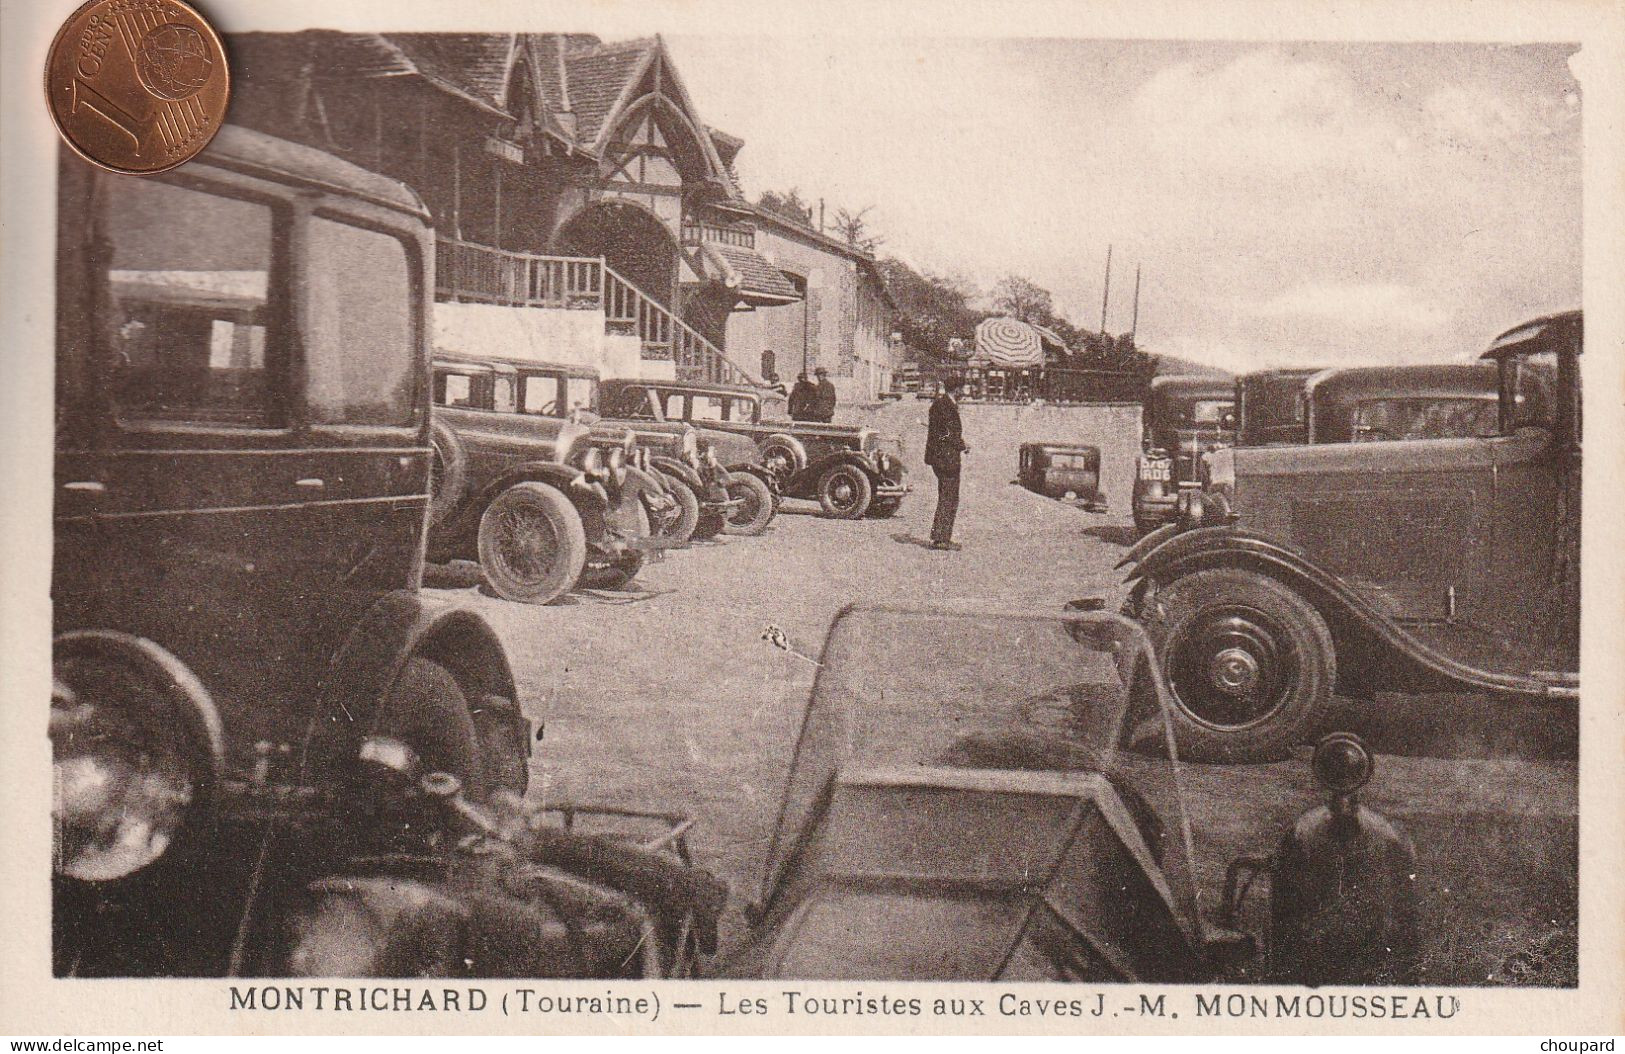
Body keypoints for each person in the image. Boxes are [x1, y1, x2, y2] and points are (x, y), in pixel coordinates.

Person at [925, 374, 969, 551]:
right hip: (946, 458)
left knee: (945, 496)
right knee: (949, 497)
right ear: (957, 390)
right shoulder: (947, 407)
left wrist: (958, 441)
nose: (964, 393)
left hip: (940, 457)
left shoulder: (939, 404)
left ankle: (939, 536)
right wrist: (962, 445)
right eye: (962, 390)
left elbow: (945, 432)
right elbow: (949, 434)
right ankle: (942, 538)